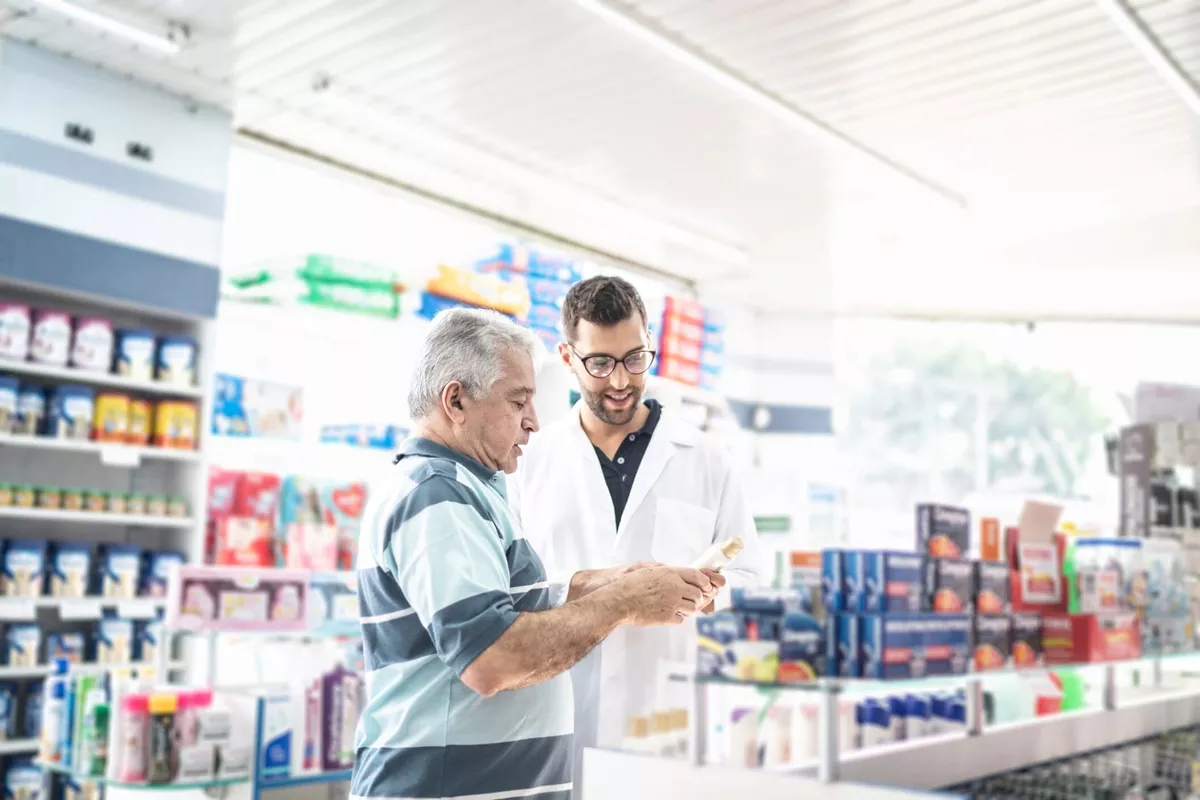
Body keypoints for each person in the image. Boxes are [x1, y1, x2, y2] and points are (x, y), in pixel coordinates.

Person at [350, 308, 723, 800]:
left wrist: (602, 583)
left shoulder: (471, 489)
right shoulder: (436, 496)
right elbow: (492, 657)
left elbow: (500, 602)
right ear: (456, 400)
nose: (533, 421)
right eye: (518, 401)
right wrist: (623, 601)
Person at [511, 276, 765, 786]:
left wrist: (707, 592)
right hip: (557, 718)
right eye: (600, 363)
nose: (621, 381)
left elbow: (751, 574)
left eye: (634, 358)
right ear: (566, 357)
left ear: (651, 345)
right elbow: (509, 589)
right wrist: (596, 588)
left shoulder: (707, 460)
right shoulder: (529, 461)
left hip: (662, 723)